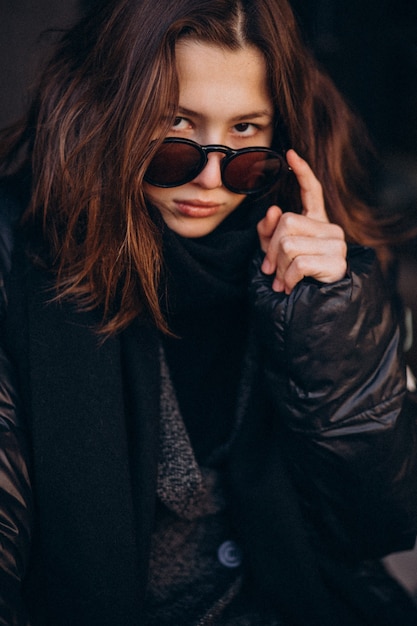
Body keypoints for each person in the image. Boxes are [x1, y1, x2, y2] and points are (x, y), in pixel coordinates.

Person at [0, 0, 416, 624]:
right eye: (176, 125)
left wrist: (331, 320)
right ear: (109, 107)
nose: (211, 178)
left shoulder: (328, 254)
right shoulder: (19, 253)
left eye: (246, 131)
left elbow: (381, 521)